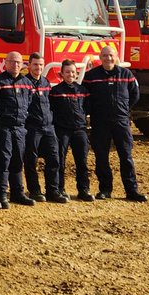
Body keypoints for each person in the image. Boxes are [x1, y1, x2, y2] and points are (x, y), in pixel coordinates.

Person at [84, 45, 148, 202]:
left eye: (111, 55)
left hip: (121, 121)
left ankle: (131, 191)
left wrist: (124, 109)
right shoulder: (91, 76)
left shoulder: (126, 74)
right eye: (105, 55)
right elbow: (85, 97)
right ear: (100, 57)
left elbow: (135, 95)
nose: (108, 58)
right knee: (101, 156)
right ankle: (105, 189)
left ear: (116, 56)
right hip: (100, 122)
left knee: (126, 156)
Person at [22, 52, 67, 203]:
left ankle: (53, 191)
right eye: (35, 64)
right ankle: (35, 191)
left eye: (41, 64)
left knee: (54, 159)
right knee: (31, 160)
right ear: (29, 65)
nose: (38, 67)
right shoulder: (24, 82)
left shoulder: (45, 82)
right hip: (32, 127)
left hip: (48, 127)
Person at [0, 51, 32, 206]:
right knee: (3, 161)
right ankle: (1, 194)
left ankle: (17, 193)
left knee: (17, 161)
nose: (16, 65)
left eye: (18, 62)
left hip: (20, 128)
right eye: (12, 62)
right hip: (4, 127)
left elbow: (28, 102)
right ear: (6, 63)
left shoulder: (26, 82)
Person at [51, 59, 94, 201]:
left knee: (82, 162)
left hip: (79, 130)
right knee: (60, 161)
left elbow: (87, 108)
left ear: (76, 74)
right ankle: (60, 189)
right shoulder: (55, 91)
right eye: (67, 72)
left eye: (73, 72)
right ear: (61, 74)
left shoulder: (83, 91)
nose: (70, 75)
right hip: (62, 130)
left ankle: (84, 190)